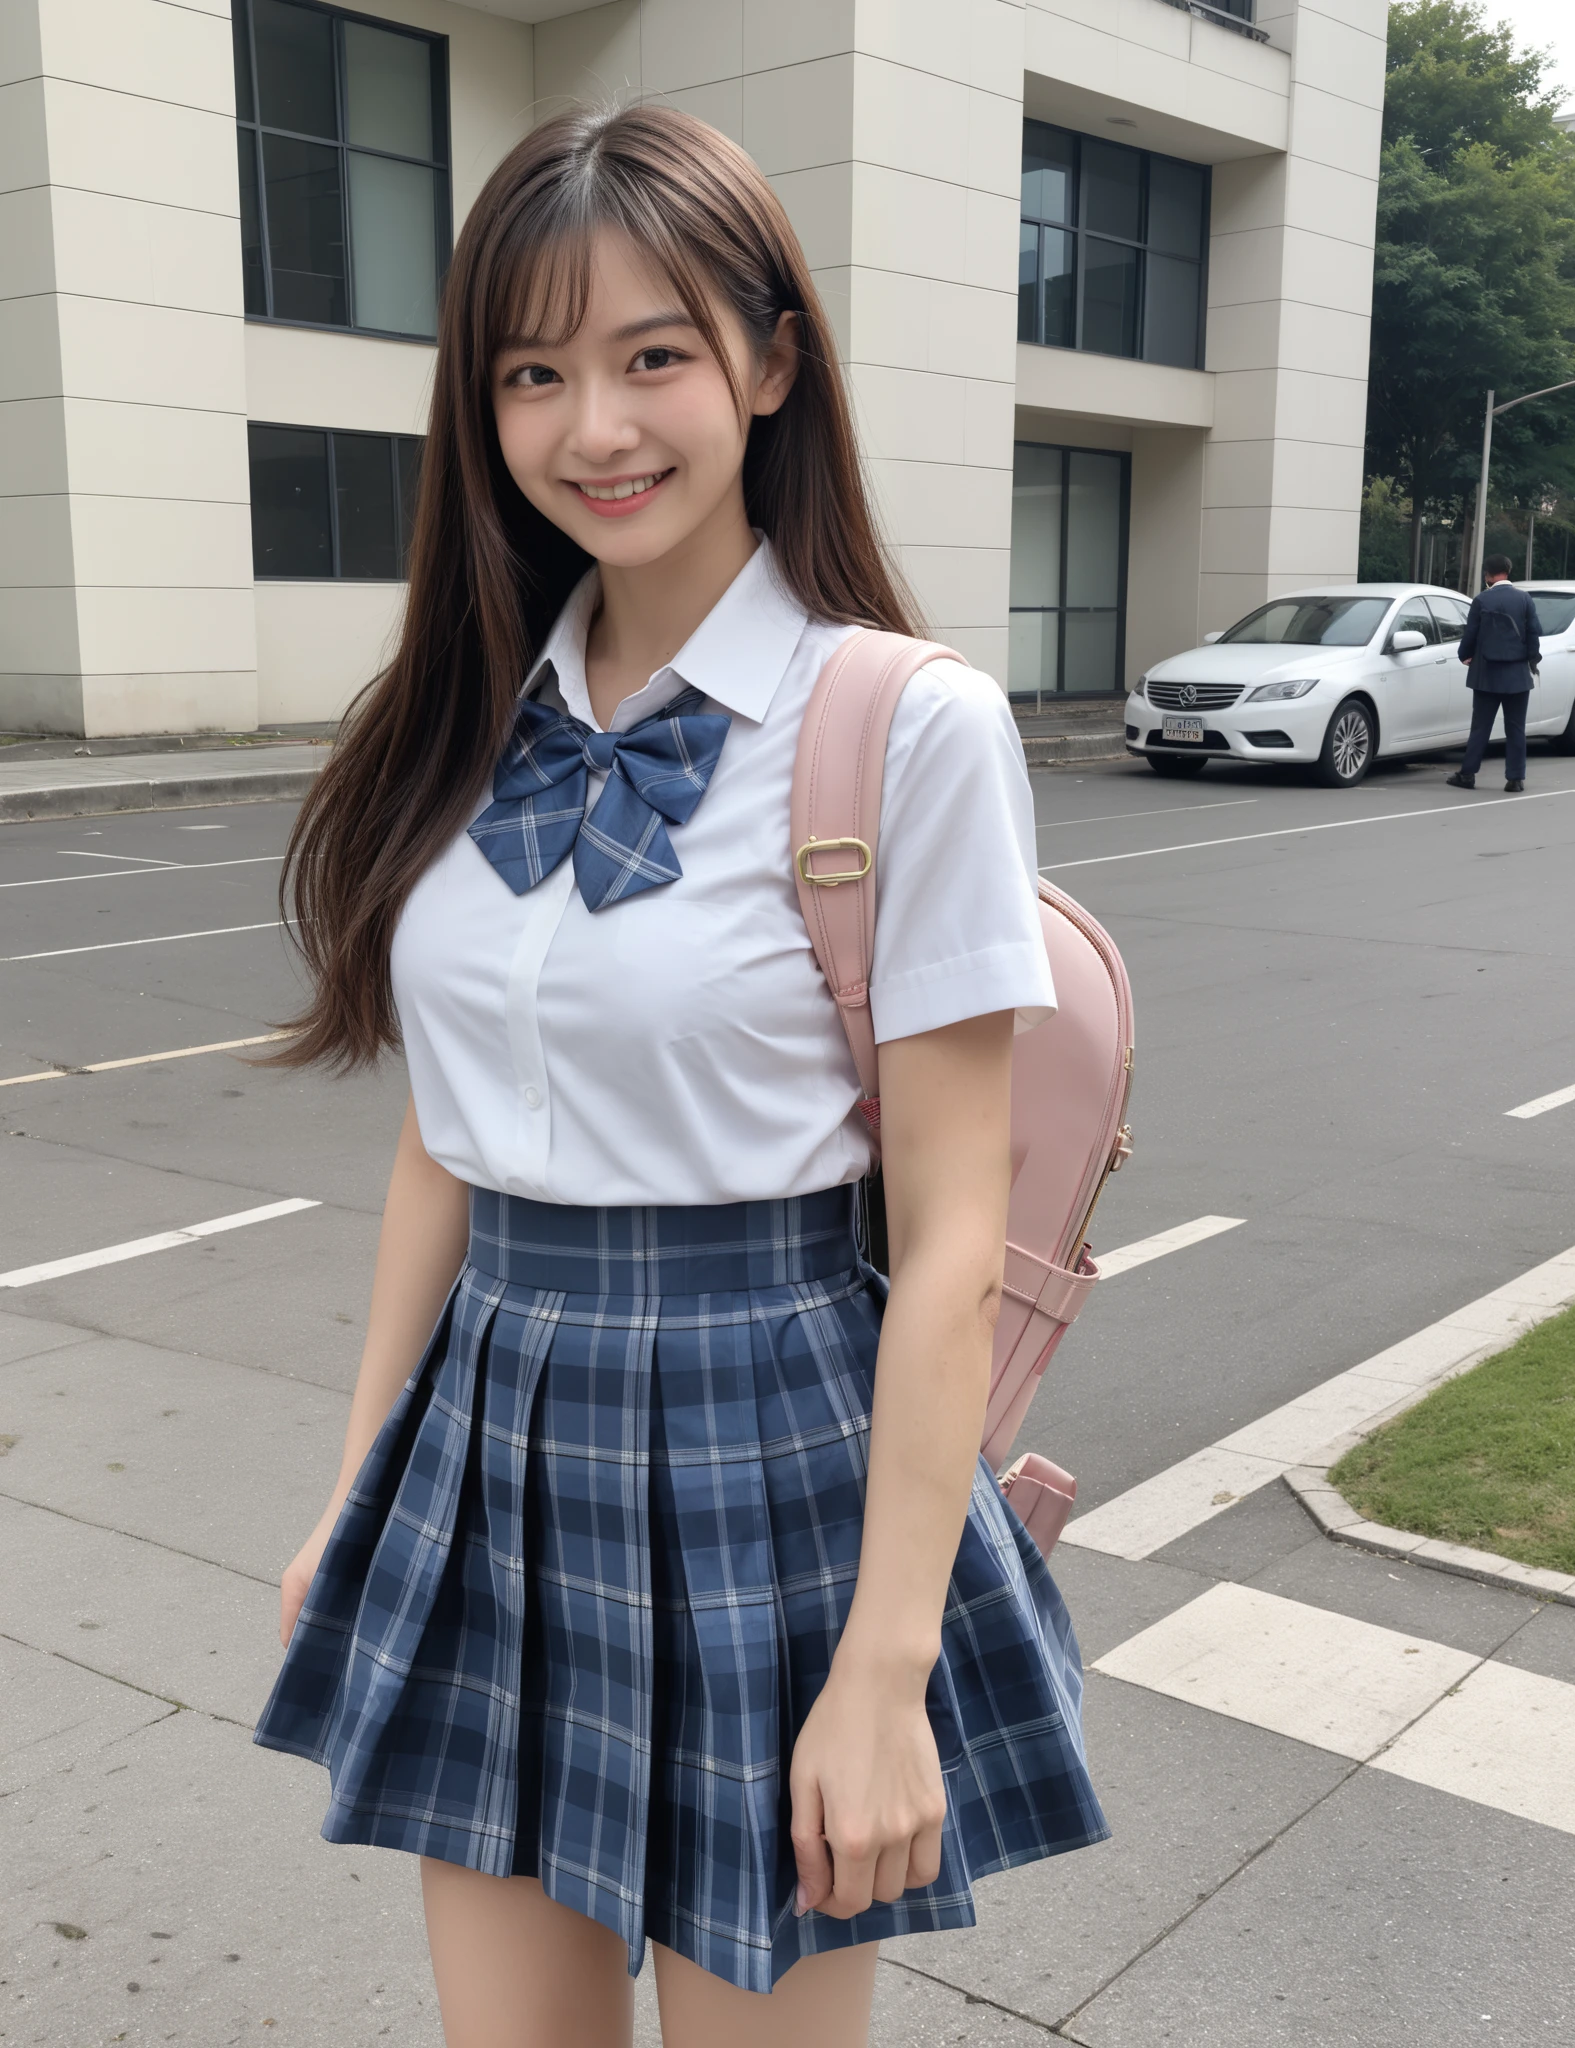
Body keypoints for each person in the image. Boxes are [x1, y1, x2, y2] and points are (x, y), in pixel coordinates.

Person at [253, 105, 1106, 2048]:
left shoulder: (904, 726)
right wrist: (360, 1486)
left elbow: (954, 1223)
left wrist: (885, 1665)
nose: (593, 429)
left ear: (772, 361)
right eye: (532, 374)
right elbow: (440, 1147)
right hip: (492, 1442)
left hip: (771, 1437)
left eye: (653, 355)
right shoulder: (466, 719)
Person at [1448, 554, 1542, 792]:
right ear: (1508, 572)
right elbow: (1533, 634)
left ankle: (1467, 775)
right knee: (1516, 728)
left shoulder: (1481, 600)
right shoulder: (1524, 599)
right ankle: (1515, 779)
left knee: (1480, 727)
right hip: (1518, 676)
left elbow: (1470, 635)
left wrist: (1464, 655)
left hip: (1486, 674)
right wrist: (1532, 660)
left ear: (1487, 575)